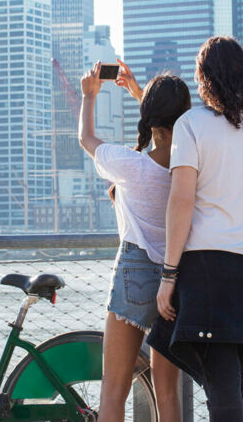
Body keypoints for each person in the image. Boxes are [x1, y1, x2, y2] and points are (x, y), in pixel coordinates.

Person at [147, 36, 243, 421]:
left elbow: (180, 202)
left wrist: (168, 274)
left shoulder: (192, 125)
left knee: (222, 389)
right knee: (232, 383)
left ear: (204, 79)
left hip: (205, 273)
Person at [78, 60, 189, 422]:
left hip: (135, 274)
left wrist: (89, 97)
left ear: (150, 119)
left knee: (114, 390)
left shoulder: (131, 166)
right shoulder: (190, 169)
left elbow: (87, 139)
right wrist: (143, 94)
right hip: (177, 277)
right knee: (167, 393)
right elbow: (173, 128)